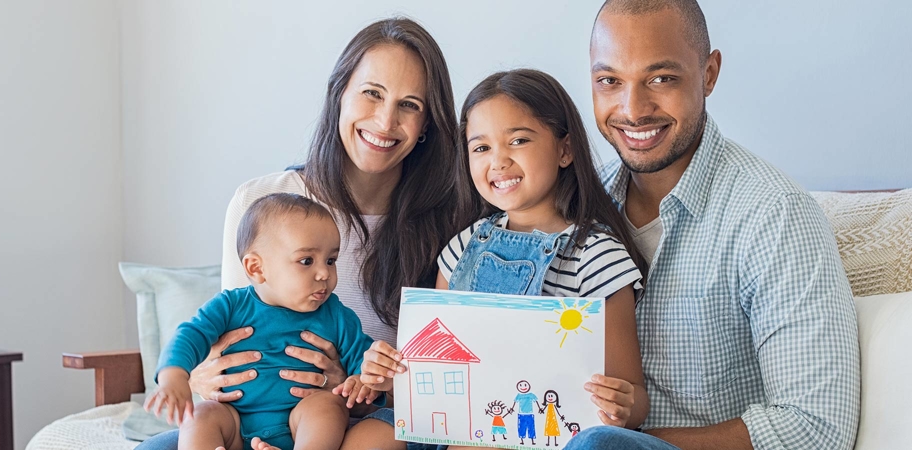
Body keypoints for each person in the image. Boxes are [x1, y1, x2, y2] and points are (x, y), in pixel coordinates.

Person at [136, 17, 468, 450]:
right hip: (255, 412)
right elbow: (233, 328)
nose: (386, 121)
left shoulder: (452, 219)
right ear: (340, 95)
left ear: (427, 123)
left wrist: (354, 388)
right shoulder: (263, 201)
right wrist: (195, 376)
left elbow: (437, 373)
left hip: (369, 415)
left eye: (410, 104)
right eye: (372, 93)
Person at [565, 1, 860, 449]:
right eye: (609, 81)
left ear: (708, 73)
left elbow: (815, 426)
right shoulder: (579, 206)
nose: (633, 109)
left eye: (661, 79)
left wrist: (626, 444)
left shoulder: (775, 214)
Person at [356, 68, 651, 449]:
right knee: (370, 436)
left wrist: (625, 405)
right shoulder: (462, 247)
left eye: (518, 140)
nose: (498, 161)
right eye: (481, 148)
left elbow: (635, 397)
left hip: (537, 434)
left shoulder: (595, 256)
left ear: (565, 149)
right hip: (452, 421)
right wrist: (389, 376)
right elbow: (430, 365)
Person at [146, 194, 380, 450]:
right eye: (306, 261)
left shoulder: (336, 314)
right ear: (256, 268)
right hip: (234, 426)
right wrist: (174, 375)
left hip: (301, 428)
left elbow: (364, 359)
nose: (324, 273)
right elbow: (191, 334)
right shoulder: (230, 306)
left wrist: (361, 381)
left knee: (328, 406)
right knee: (200, 415)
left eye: (331, 260)